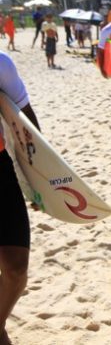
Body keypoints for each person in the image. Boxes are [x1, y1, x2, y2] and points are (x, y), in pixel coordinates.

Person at [0, 50, 41, 345]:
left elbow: (26, 121)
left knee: (16, 268)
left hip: (0, 169)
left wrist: (42, 179)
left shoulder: (1, 64)